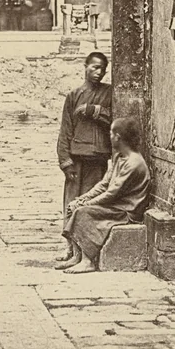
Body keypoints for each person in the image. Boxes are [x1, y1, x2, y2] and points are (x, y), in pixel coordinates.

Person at [58, 116, 151, 273]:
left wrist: (85, 204)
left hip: (126, 210)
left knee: (83, 212)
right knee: (76, 206)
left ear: (118, 137)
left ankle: (88, 261)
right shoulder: (118, 156)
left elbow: (112, 194)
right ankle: (77, 255)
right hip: (116, 204)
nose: (109, 137)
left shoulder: (134, 163)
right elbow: (104, 184)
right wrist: (82, 198)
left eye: (111, 133)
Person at [56, 51, 112, 262]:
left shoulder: (109, 93)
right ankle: (70, 247)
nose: (99, 72)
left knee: (91, 204)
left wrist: (95, 110)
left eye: (103, 69)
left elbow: (117, 120)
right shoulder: (74, 95)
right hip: (76, 158)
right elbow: (65, 130)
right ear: (85, 66)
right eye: (95, 67)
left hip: (97, 158)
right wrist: (65, 160)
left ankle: (87, 250)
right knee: (71, 203)